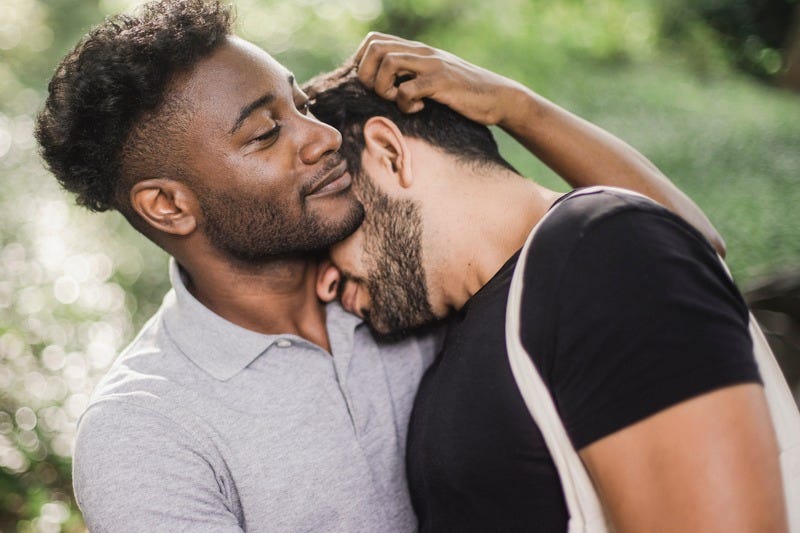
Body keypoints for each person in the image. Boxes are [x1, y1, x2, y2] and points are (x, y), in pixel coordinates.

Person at [34, 0, 730, 530]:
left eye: (300, 102)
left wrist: (517, 107)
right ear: (168, 206)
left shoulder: (398, 273)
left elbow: (678, 241)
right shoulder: (147, 430)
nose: (321, 137)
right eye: (266, 132)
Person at [307, 34, 788, 532]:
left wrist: (518, 107)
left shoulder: (605, 251)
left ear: (388, 153)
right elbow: (691, 238)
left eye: (332, 229)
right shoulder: (498, 308)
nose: (322, 281)